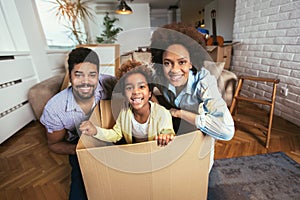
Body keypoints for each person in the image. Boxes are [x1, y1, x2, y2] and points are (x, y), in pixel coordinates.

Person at [150, 23, 235, 168]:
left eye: (182, 62)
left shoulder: (204, 81)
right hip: (173, 137)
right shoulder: (159, 76)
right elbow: (144, 88)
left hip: (199, 140)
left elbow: (227, 131)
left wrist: (178, 113)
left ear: (191, 63)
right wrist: (157, 105)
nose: (174, 70)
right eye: (168, 63)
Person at [40, 47, 116, 200]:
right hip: (81, 143)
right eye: (78, 74)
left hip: (112, 132)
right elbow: (54, 144)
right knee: (81, 183)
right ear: (69, 76)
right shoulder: (54, 109)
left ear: (98, 75)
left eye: (92, 75)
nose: (86, 82)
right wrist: (82, 150)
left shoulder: (111, 83)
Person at [79, 64, 175, 146]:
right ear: (124, 95)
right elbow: (116, 134)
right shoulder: (125, 113)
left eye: (141, 87)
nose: (136, 92)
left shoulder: (162, 113)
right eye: (129, 88)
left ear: (150, 93)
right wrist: (95, 131)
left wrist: (166, 136)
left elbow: (168, 131)